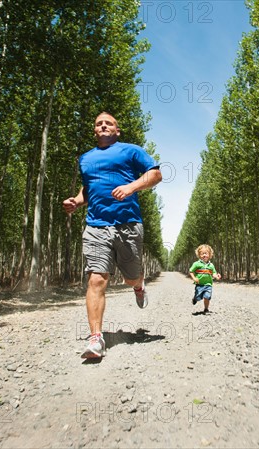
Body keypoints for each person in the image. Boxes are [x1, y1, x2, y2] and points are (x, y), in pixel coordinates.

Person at [62, 112, 162, 358]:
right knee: (96, 279)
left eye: (109, 123)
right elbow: (88, 188)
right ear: (95, 131)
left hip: (128, 224)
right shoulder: (85, 159)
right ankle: (97, 339)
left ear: (117, 131)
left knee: (130, 276)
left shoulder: (131, 151)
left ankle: (138, 285)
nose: (103, 125)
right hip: (95, 226)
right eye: (98, 123)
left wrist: (131, 187)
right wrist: (76, 201)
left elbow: (156, 174)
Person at [189, 244, 222, 314]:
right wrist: (194, 278)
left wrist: (217, 276)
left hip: (208, 285)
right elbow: (191, 271)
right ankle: (195, 298)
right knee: (198, 297)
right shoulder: (196, 264)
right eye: (202, 254)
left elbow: (213, 273)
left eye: (206, 253)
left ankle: (206, 309)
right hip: (199, 285)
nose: (204, 255)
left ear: (209, 255)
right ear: (199, 255)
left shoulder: (211, 265)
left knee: (207, 296)